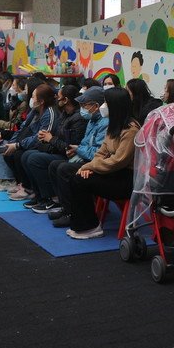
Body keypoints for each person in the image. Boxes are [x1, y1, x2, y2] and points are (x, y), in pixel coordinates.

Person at [61, 87, 140, 240]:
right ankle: (84, 224)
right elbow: (102, 152)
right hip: (113, 173)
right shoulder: (114, 125)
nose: (103, 106)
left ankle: (90, 227)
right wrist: (91, 168)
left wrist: (89, 167)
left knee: (79, 180)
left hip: (126, 179)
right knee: (77, 177)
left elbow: (118, 161)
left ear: (116, 105)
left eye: (106, 103)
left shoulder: (131, 129)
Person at [47, 86, 109, 227]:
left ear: (96, 106)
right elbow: (85, 143)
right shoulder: (92, 120)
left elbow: (98, 152)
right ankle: (66, 207)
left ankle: (73, 213)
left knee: (64, 169)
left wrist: (79, 150)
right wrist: (76, 150)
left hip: (96, 163)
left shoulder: (105, 123)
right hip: (86, 158)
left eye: (85, 105)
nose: (82, 108)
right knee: (54, 165)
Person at [23, 85, 87, 213]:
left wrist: (50, 139)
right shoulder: (64, 114)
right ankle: (40, 195)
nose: (56, 99)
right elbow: (55, 138)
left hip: (69, 155)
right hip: (57, 149)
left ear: (66, 100)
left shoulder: (78, 118)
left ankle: (51, 198)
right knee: (26, 155)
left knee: (34, 159)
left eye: (58, 97)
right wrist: (46, 140)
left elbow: (70, 147)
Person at [0, 77, 44, 189]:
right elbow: (21, 127)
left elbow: (21, 127)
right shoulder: (18, 103)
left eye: (26, 89)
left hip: (22, 137)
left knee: (5, 143)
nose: (12, 88)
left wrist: (4, 132)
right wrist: (4, 132)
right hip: (14, 132)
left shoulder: (30, 107)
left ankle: (7, 178)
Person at [3, 84, 60, 200]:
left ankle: (30, 188)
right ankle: (22, 183)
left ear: (41, 101)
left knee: (22, 155)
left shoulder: (50, 113)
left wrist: (18, 145)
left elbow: (41, 137)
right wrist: (13, 143)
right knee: (8, 153)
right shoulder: (35, 110)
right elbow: (23, 127)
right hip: (30, 141)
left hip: (44, 145)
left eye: (33, 97)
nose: (31, 99)